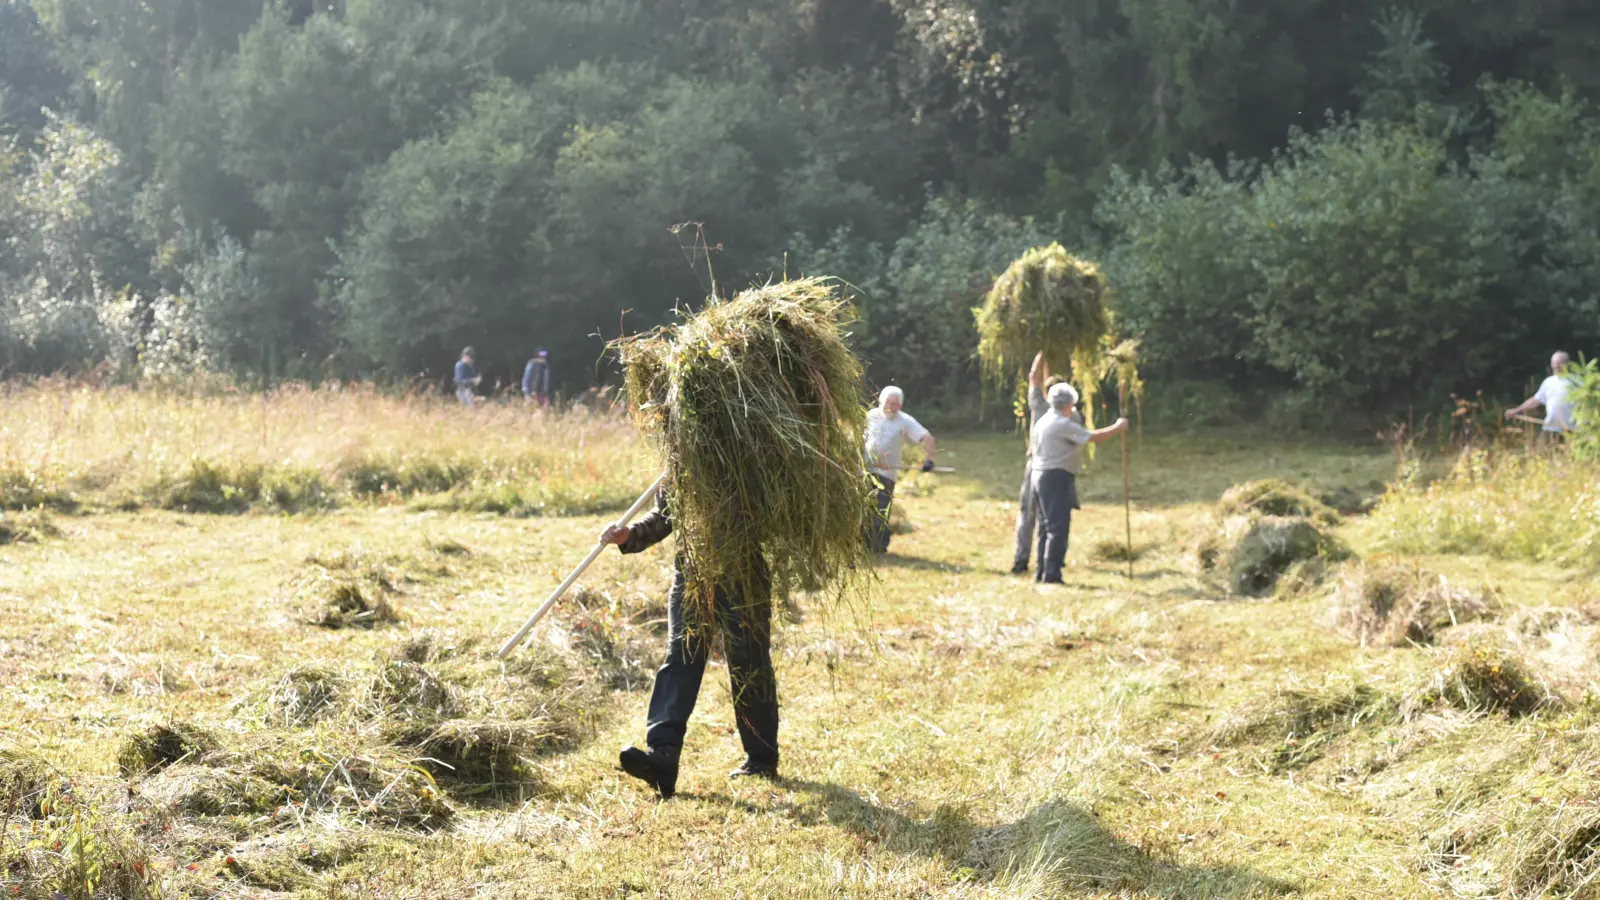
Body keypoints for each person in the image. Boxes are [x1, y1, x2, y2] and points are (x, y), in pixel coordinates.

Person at [600, 492, 779, 799]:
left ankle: (761, 758)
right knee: (680, 658)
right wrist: (630, 535)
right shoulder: (682, 452)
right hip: (693, 574)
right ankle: (663, 759)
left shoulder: (753, 446)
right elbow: (665, 515)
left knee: (748, 662)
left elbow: (776, 508)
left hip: (743, 572)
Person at [1030, 382, 1128, 584]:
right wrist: (1119, 427)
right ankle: (1052, 575)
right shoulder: (1061, 424)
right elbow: (1094, 437)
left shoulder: (1044, 420)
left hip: (1039, 475)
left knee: (1045, 527)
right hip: (1055, 476)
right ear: (1069, 404)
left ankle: (1042, 571)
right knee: (1058, 527)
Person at [1012, 353, 1079, 575]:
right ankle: (1047, 562)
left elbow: (1034, 377)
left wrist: (1043, 351)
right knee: (1049, 516)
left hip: (1036, 464)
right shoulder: (1071, 415)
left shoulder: (1039, 405)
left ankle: (1022, 560)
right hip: (1058, 468)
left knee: (1028, 513)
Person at [863, 386, 935, 555]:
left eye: (895, 404)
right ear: (881, 400)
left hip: (886, 474)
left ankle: (878, 547)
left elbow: (927, 437)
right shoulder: (870, 416)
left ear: (900, 406)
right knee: (863, 509)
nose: (890, 407)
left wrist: (929, 460)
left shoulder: (904, 421)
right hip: (864, 470)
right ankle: (861, 544)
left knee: (880, 511)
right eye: (888, 402)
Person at [1506, 351, 1577, 438]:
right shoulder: (1548, 382)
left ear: (1567, 364)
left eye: (1559, 363)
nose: (1556, 366)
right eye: (1554, 363)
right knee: (1541, 451)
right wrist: (1516, 410)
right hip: (1550, 428)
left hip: (1572, 430)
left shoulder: (1577, 382)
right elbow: (1535, 400)